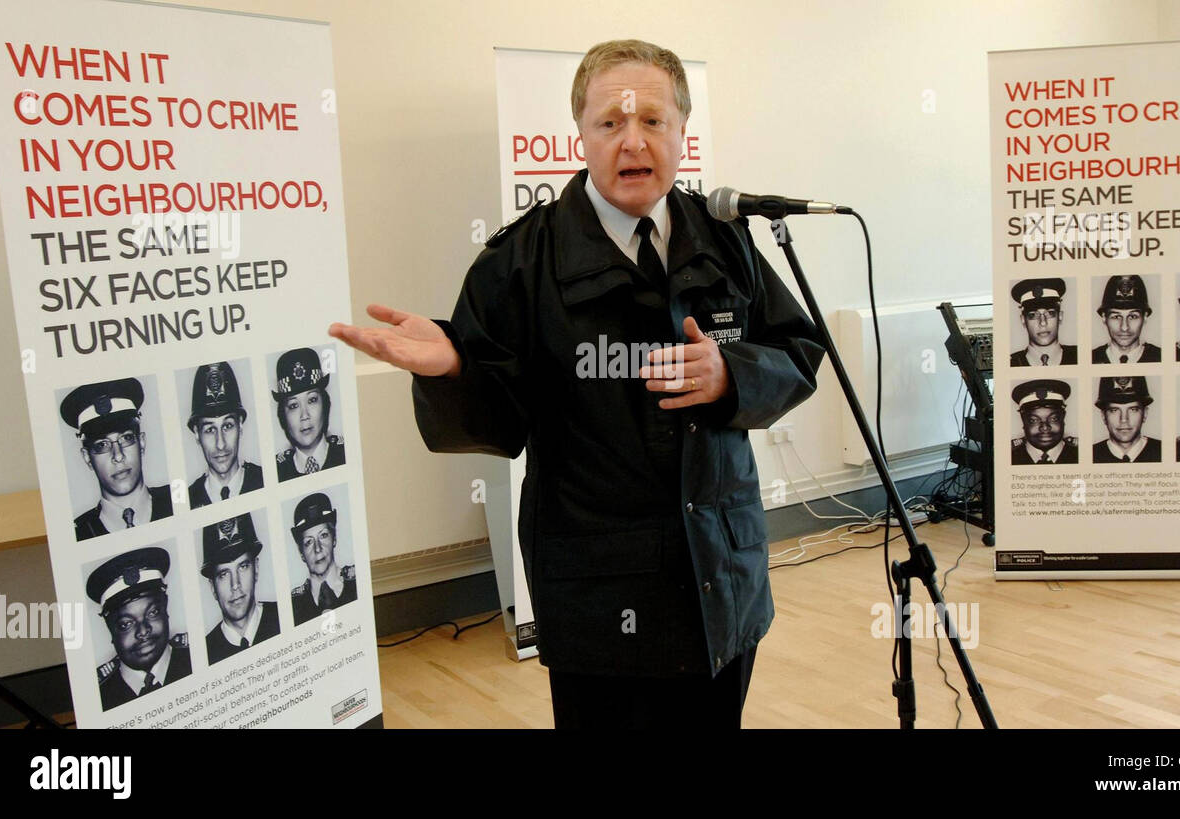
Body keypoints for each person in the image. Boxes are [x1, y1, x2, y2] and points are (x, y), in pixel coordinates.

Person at [328, 39, 824, 728]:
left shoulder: (725, 237)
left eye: (653, 121)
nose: (633, 142)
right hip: (601, 598)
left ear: (683, 131)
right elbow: (500, 424)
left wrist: (732, 374)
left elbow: (797, 351)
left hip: (722, 575)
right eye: (610, 123)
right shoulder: (521, 261)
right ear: (581, 135)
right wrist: (455, 371)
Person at [59, 378, 173, 542]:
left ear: (141, 443)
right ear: (87, 457)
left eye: (126, 438)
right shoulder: (78, 534)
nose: (118, 455)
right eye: (101, 445)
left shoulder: (177, 502)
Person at [86, 547, 192, 711]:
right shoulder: (99, 697)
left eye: (152, 613)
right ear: (109, 628)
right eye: (126, 624)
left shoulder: (194, 658)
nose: (143, 631)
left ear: (166, 609)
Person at [201, 513, 280, 664]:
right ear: (212, 587)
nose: (235, 584)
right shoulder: (205, 654)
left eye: (243, 567)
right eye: (223, 574)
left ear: (256, 569)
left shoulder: (284, 616)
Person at [187, 362, 264, 507]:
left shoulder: (264, 480)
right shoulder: (189, 500)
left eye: (227, 426)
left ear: (240, 425)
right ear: (197, 434)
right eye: (210, 430)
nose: (220, 444)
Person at [272, 347, 345, 481]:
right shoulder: (277, 471)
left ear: (325, 405)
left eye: (312, 400)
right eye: (293, 406)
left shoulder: (345, 453)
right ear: (283, 416)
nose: (304, 415)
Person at [288, 492, 357, 625]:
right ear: (301, 552)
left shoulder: (356, 583)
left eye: (323, 535)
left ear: (334, 538)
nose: (317, 548)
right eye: (309, 542)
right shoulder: (294, 605)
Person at [1091, 275, 1161, 363]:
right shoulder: (1090, 359)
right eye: (1116, 317)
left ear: (1145, 317)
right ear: (1104, 317)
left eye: (1133, 317)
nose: (1124, 327)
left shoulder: (1161, 358)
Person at [1092, 376, 1161, 463]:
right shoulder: (1090, 456)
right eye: (1114, 410)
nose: (1124, 419)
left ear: (1145, 414)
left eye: (1133, 410)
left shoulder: (1165, 452)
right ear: (1103, 416)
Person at [1009, 278, 1076, 366]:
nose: (1043, 323)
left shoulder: (1079, 357)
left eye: (1050, 313)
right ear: (1023, 320)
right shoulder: (1011, 363)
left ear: (1060, 316)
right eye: (1033, 315)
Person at [1010, 379, 1078, 465]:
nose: (1045, 427)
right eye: (1034, 420)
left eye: (1053, 419)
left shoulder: (1081, 456)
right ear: (1023, 420)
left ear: (1063, 417)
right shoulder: (1010, 458)